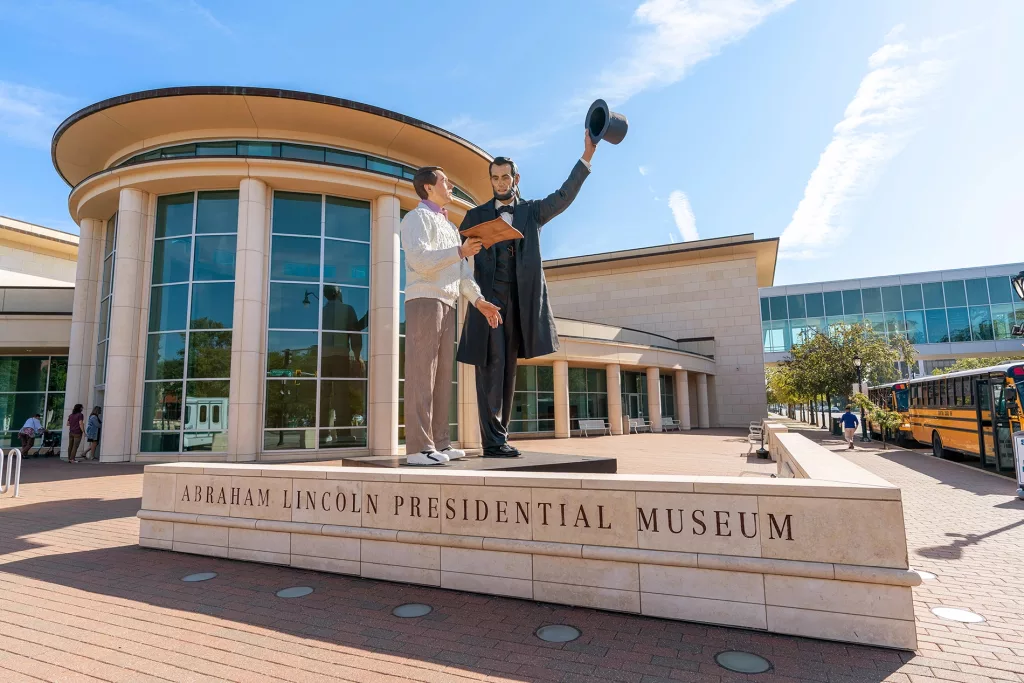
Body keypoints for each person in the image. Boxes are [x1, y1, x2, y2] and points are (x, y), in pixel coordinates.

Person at [457, 130, 598, 457]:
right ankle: (492, 442)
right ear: (490, 180)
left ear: (516, 178)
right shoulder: (474, 216)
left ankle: (499, 438)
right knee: (490, 370)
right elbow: (463, 261)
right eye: (495, 178)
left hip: (518, 305)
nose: (500, 183)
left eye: (506, 177)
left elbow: (564, 195)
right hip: (488, 302)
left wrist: (587, 156)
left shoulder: (532, 211)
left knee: (507, 372)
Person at [400, 166, 501, 466]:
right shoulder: (416, 218)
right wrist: (459, 251)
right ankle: (418, 448)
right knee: (422, 374)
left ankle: (440, 444)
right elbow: (419, 260)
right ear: (428, 188)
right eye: (445, 180)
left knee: (442, 376)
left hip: (447, 302)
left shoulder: (449, 226)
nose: (451, 184)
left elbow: (462, 273)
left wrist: (480, 301)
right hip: (424, 300)